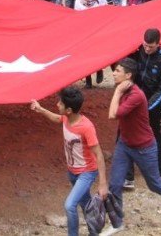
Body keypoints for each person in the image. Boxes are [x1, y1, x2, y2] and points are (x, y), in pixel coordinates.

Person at [102, 58, 161, 235]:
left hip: (144, 146)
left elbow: (112, 115)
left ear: (128, 75)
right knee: (115, 184)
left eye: (117, 70)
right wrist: (119, 91)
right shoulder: (125, 90)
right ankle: (117, 222)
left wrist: (118, 91)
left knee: (155, 184)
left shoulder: (135, 95)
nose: (113, 73)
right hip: (125, 144)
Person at [30, 86, 107, 236]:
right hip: (72, 172)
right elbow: (57, 118)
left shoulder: (86, 127)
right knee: (85, 205)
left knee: (70, 205)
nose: (57, 104)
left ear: (69, 110)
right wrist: (40, 109)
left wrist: (103, 184)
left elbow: (99, 155)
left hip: (86, 172)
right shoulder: (66, 118)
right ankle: (94, 232)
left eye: (60, 103)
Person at [129, 29, 161, 180]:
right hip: (134, 101)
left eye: (151, 47)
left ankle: (159, 171)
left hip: (154, 105)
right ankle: (128, 175)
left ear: (158, 44)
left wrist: (146, 107)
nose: (147, 49)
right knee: (126, 133)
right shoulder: (137, 51)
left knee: (155, 135)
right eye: (145, 45)